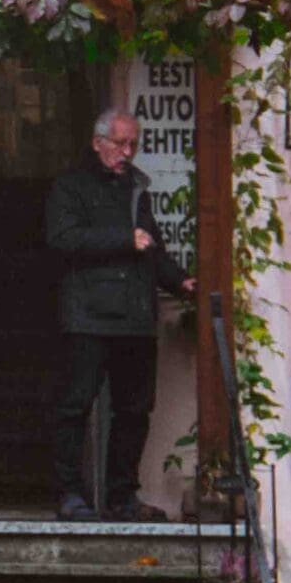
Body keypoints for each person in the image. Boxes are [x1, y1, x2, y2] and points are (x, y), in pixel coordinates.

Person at [46, 107, 195, 522]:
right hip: (87, 316)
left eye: (134, 144)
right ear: (98, 143)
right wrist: (124, 238)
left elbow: (153, 251)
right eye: (120, 143)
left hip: (134, 318)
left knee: (133, 411)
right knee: (75, 407)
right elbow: (62, 239)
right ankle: (70, 494)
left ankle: (122, 496)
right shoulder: (71, 187)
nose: (127, 152)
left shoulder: (136, 189)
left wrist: (181, 281)